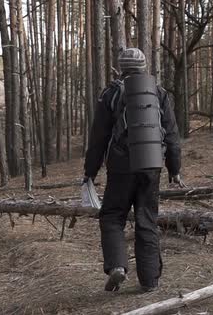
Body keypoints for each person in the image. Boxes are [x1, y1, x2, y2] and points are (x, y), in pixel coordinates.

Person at [83, 48, 184, 293]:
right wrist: (174, 168)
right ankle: (149, 281)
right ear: (144, 67)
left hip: (120, 167)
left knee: (112, 216)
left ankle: (117, 266)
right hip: (152, 165)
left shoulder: (111, 94)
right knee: (147, 220)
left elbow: (99, 136)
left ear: (121, 68)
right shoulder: (158, 93)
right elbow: (171, 134)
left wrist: (90, 172)